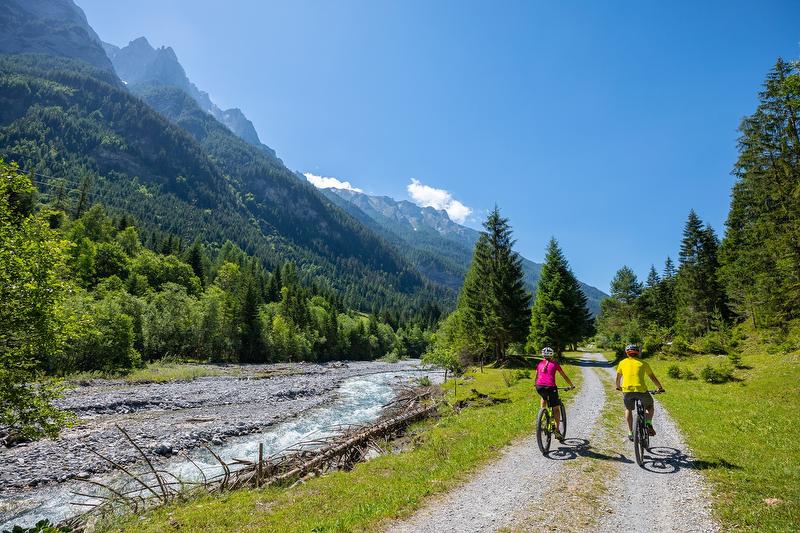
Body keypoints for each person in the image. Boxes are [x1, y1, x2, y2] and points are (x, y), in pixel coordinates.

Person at [615, 344, 665, 441]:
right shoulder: (643, 363)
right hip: (641, 390)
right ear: (638, 353)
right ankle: (648, 423)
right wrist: (659, 388)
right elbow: (652, 377)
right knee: (650, 406)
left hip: (627, 390)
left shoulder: (622, 363)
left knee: (628, 409)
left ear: (627, 353)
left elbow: (618, 378)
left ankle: (630, 432)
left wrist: (618, 387)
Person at [535, 347, 575, 442]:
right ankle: (557, 431)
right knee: (556, 408)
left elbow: (536, 376)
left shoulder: (539, 364)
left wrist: (535, 385)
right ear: (552, 355)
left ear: (543, 355)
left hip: (539, 387)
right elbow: (564, 376)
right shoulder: (555, 364)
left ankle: (542, 414)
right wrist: (571, 385)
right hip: (551, 387)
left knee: (543, 396)